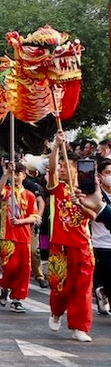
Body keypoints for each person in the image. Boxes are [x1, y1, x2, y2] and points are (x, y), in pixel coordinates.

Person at [46, 131, 96, 342]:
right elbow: (50, 169)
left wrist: (81, 204)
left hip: (83, 245)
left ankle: (79, 327)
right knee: (60, 287)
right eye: (61, 166)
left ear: (76, 170)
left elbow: (94, 216)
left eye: (66, 166)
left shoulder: (90, 191)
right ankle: (56, 312)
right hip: (61, 244)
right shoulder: (57, 188)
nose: (62, 169)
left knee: (83, 287)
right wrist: (57, 146)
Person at [0, 162, 40, 313]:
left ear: (24, 176)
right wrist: (7, 173)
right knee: (10, 267)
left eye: (17, 174)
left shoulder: (30, 195)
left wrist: (20, 221)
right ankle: (5, 286)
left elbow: (34, 217)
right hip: (7, 236)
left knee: (24, 269)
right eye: (13, 174)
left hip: (24, 237)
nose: (15, 177)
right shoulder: (7, 192)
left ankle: (17, 299)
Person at [90, 159, 111, 315]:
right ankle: (102, 291)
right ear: (100, 175)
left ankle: (103, 291)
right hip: (101, 244)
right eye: (108, 173)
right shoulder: (93, 194)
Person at [22, 162, 48, 288]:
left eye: (18, 173)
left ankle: (39, 275)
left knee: (34, 251)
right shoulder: (8, 186)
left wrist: (38, 217)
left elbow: (41, 202)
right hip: (15, 225)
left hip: (30, 223)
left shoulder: (30, 186)